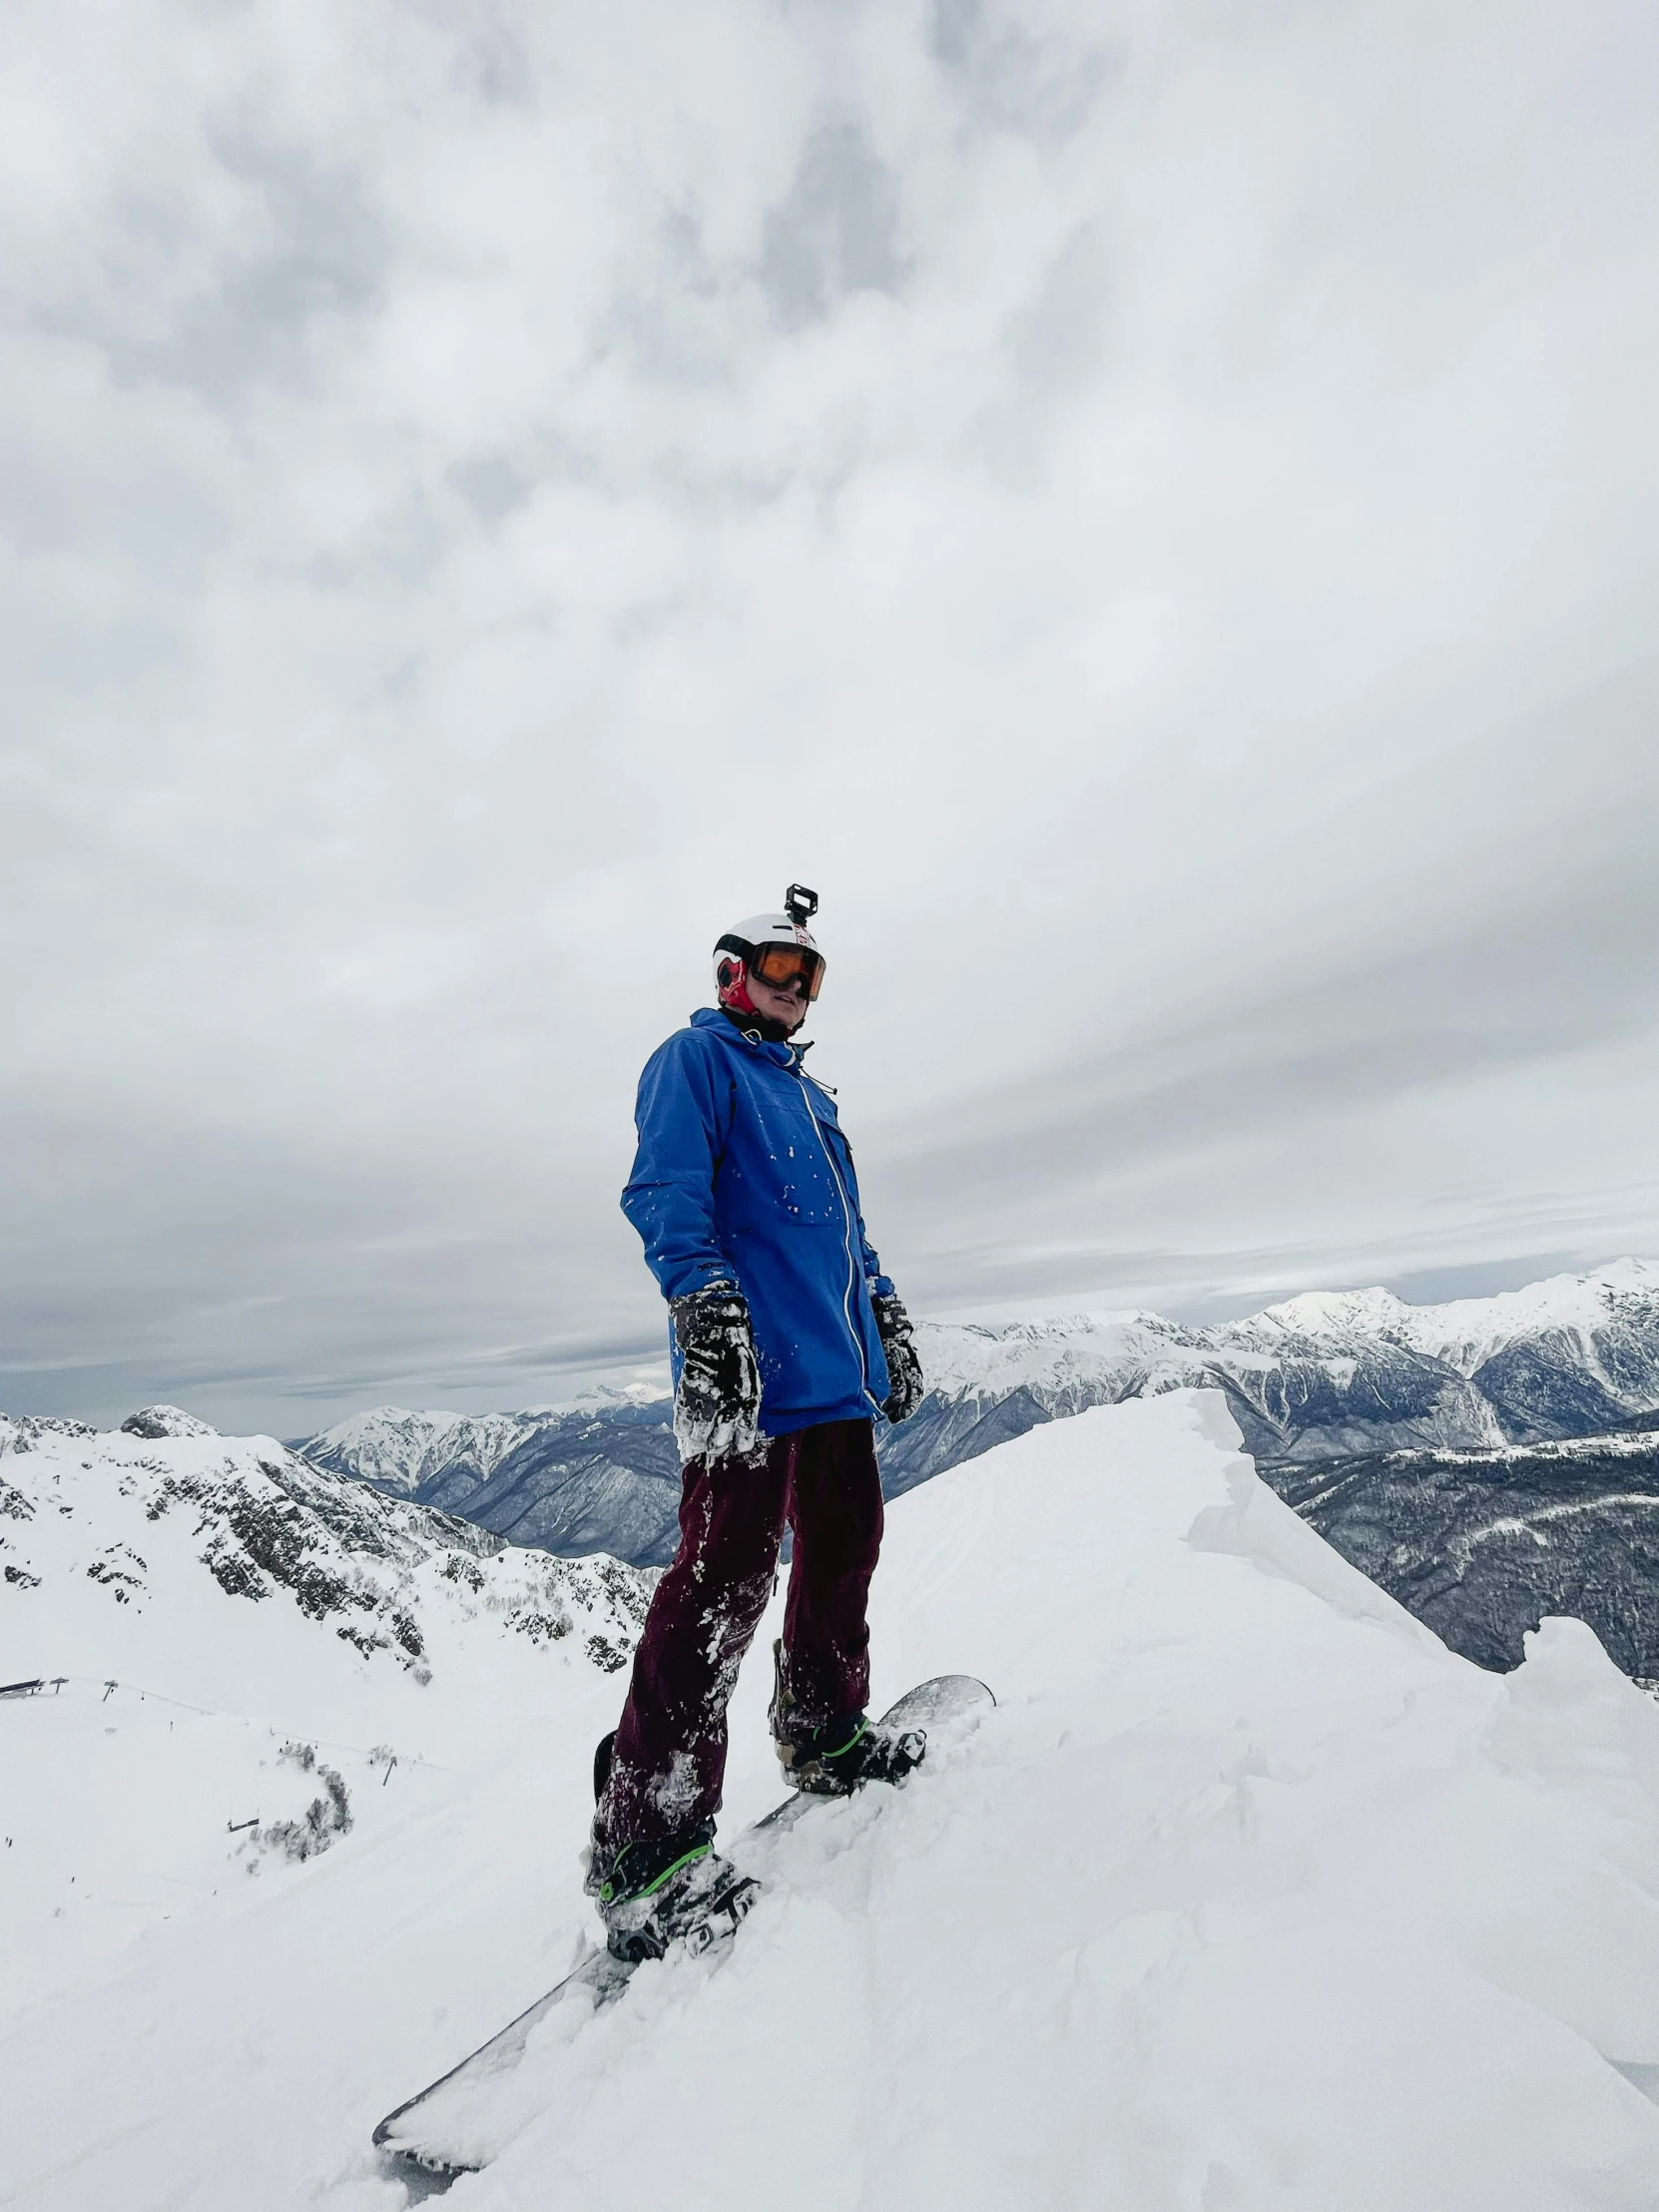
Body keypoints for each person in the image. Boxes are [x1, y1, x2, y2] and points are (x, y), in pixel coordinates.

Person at [585, 884, 926, 1954]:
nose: (795, 990)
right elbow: (664, 1191)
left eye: (811, 976)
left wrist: (884, 1310)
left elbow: (845, 1238)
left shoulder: (814, 1101)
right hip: (744, 1375)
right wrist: (704, 1300)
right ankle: (645, 1843)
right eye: (781, 969)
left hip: (829, 1378)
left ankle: (824, 1730)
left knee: (844, 1552)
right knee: (721, 1584)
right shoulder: (695, 1064)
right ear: (735, 970)